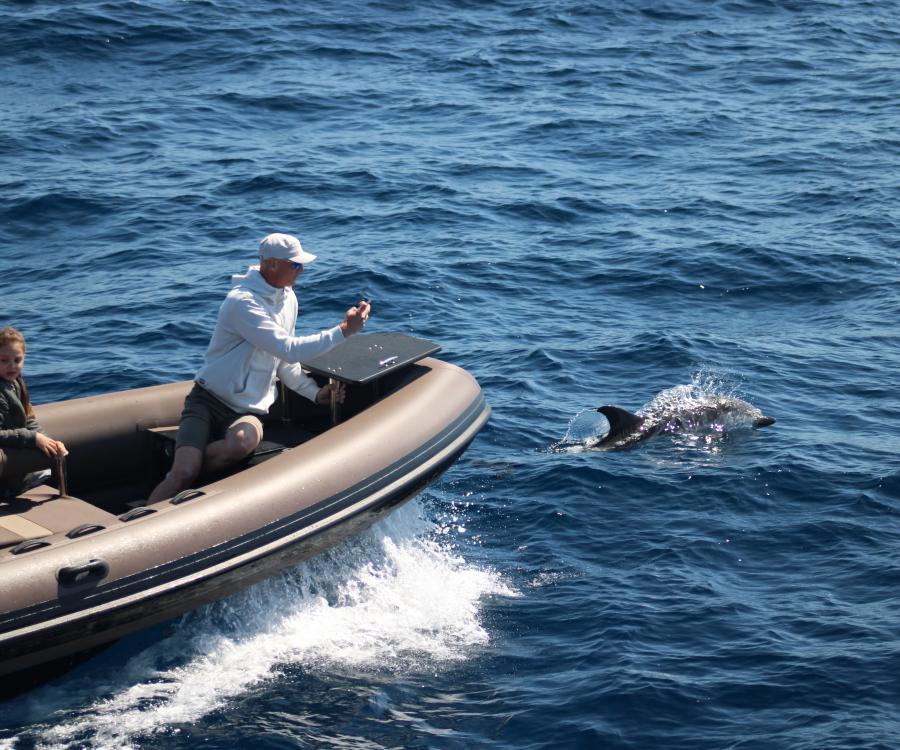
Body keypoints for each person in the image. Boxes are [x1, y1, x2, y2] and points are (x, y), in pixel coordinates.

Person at [148, 233, 370, 503]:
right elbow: (288, 348)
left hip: (245, 410)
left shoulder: (289, 300)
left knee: (242, 441)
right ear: (272, 264)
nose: (301, 271)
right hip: (207, 401)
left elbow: (283, 360)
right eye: (296, 265)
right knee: (183, 473)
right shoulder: (243, 303)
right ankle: (160, 494)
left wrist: (313, 393)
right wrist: (344, 331)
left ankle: (187, 462)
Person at [0, 326, 68, 498]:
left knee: (49, 460)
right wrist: (33, 438)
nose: (12, 366)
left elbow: (29, 419)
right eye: (4, 360)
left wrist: (48, 440)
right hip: (5, 456)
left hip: (15, 446)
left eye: (17, 360)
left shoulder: (17, 383)